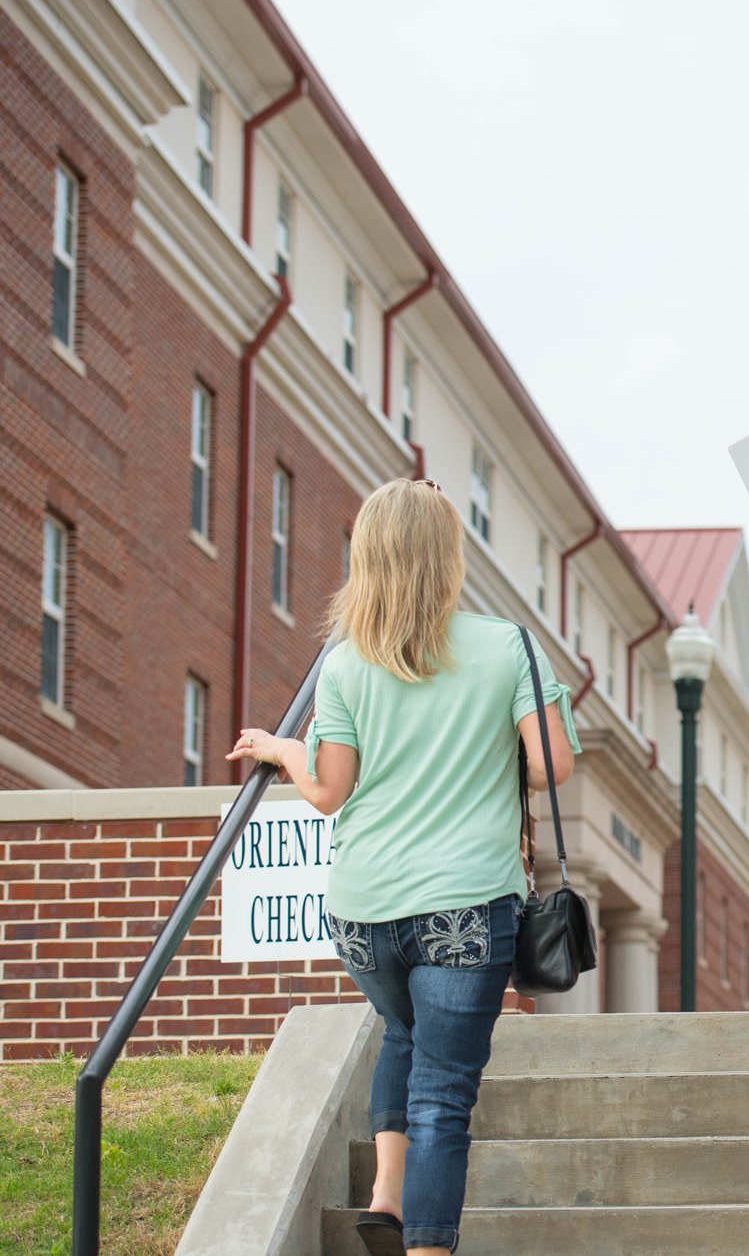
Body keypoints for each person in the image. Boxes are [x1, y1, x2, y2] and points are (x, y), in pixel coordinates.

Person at [227, 478, 578, 1256]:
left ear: (369, 559)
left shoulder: (345, 665)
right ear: (449, 555)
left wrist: (282, 747)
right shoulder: (505, 644)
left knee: (399, 1028)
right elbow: (551, 765)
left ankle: (386, 1194)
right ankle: (424, 1247)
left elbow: (326, 791)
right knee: (444, 1096)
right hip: (463, 905)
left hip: (363, 910)